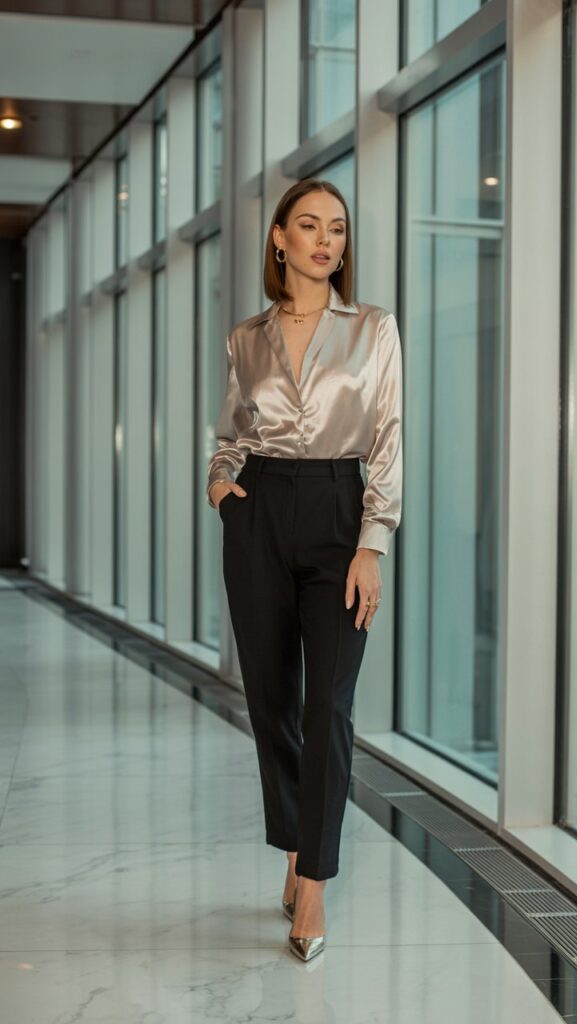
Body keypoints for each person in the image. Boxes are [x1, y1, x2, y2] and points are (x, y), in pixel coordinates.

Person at [206, 178, 403, 962]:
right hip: (257, 514)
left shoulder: (374, 329)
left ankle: (314, 880)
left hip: (338, 512)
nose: (327, 240)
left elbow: (386, 438)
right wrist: (222, 487)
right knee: (272, 701)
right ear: (280, 239)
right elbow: (230, 430)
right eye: (310, 226)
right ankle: (293, 840)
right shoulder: (245, 337)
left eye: (339, 229)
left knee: (329, 704)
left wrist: (371, 542)